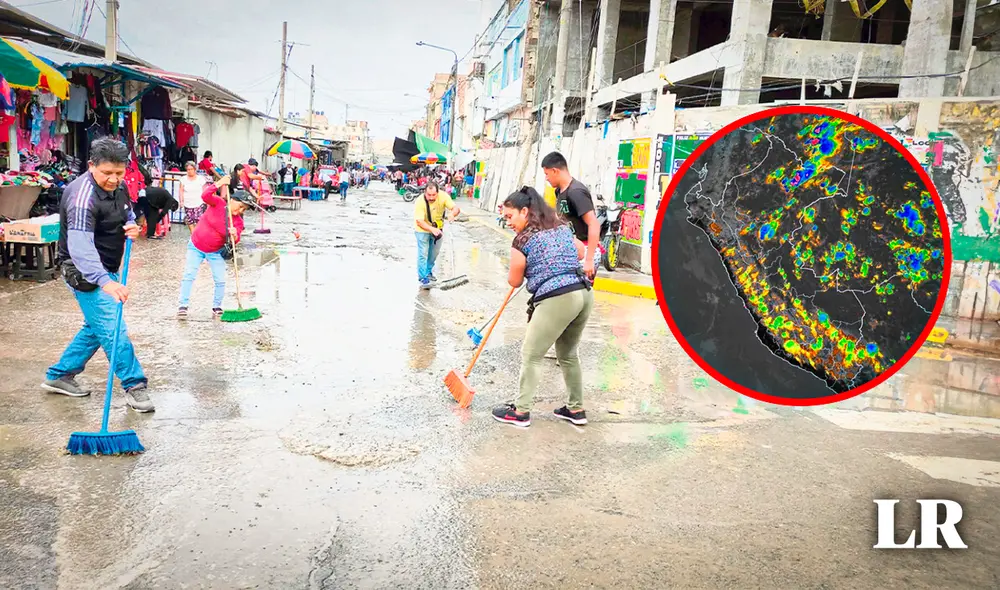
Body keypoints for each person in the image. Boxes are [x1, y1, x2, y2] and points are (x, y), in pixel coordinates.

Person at [41, 137, 154, 412]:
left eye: (119, 172)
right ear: (91, 166)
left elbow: (126, 213)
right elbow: (80, 248)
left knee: (95, 327)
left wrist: (131, 226)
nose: (114, 179)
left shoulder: (120, 186)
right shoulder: (82, 197)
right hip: (83, 271)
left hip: (107, 267)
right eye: (107, 173)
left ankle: (60, 375)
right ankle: (134, 385)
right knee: (114, 329)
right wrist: (105, 282)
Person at [491, 186, 593, 428]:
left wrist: (528, 264)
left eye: (510, 216)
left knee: (531, 354)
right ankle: (576, 409)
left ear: (524, 211)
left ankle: (521, 412)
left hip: (558, 298)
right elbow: (580, 251)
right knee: (568, 354)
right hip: (583, 293)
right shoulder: (558, 226)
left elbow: (515, 281)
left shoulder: (522, 240)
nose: (508, 222)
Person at [177, 180, 257, 319]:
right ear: (232, 200)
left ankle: (217, 306)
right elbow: (205, 196)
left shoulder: (238, 221)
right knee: (189, 275)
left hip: (215, 251)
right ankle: (182, 305)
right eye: (240, 206)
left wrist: (234, 234)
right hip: (196, 246)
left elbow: (236, 238)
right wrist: (219, 183)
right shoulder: (218, 204)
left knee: (220, 280)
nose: (240, 210)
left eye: (244, 209)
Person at [541, 152, 601, 279]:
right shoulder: (559, 191)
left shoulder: (576, 192)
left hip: (585, 249)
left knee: (577, 292)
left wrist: (588, 259)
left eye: (547, 174)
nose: (546, 178)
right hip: (572, 247)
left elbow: (593, 224)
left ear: (555, 171)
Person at [414, 181, 460, 289]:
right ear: (425, 193)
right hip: (422, 229)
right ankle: (423, 277)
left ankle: (429, 272)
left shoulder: (443, 197)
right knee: (423, 253)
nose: (431, 197)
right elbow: (419, 221)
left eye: (433, 195)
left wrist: (452, 214)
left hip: (438, 229)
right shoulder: (420, 201)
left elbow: (456, 208)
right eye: (429, 195)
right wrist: (431, 229)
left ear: (437, 193)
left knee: (434, 253)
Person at [179, 161, 208, 231]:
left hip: (199, 203)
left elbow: (205, 191)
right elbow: (181, 191)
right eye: (188, 170)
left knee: (199, 221)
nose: (189, 171)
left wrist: (206, 201)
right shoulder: (183, 179)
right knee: (190, 221)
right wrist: (181, 201)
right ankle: (193, 235)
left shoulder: (201, 179)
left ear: (195, 169)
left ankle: (198, 235)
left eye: (191, 169)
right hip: (188, 203)